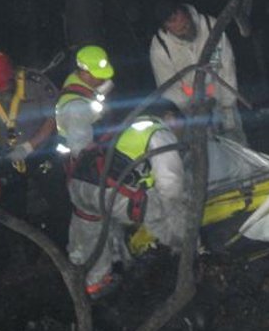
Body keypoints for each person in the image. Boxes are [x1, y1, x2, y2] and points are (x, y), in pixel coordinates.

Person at [66, 114, 189, 295]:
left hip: (80, 185)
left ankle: (94, 283)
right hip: (108, 192)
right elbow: (171, 185)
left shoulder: (128, 124)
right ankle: (190, 255)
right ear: (170, 117)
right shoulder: (159, 133)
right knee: (166, 215)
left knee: (89, 233)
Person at [0, 50, 71, 233]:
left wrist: (30, 146)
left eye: (4, 87)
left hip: (42, 151)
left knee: (59, 201)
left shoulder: (35, 84)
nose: (0, 92)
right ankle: (21, 242)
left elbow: (53, 117)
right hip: (7, 157)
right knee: (12, 210)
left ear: (11, 74)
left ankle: (63, 238)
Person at [148, 1, 247, 145]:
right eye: (171, 22)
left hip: (221, 100)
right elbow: (168, 88)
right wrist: (192, 108)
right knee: (202, 148)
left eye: (179, 17)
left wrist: (227, 104)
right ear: (165, 27)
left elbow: (226, 65)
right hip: (191, 110)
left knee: (235, 143)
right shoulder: (160, 47)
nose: (179, 24)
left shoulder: (210, 26)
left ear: (185, 12)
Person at [54, 44, 115, 162]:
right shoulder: (76, 108)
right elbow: (81, 153)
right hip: (75, 162)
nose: (104, 80)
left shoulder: (76, 78)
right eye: (99, 76)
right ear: (84, 73)